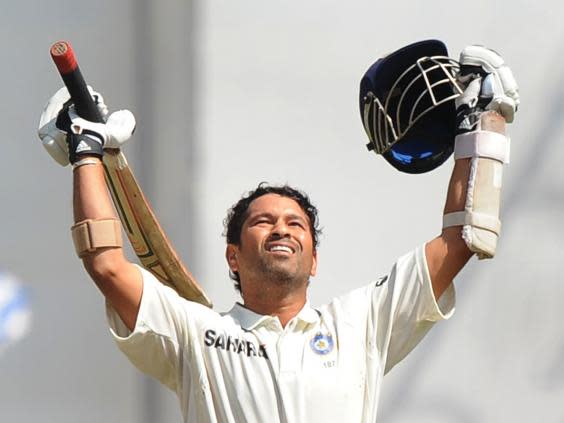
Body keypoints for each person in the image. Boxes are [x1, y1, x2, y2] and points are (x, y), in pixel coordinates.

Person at [37, 45, 518, 422]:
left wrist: (487, 124)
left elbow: (463, 239)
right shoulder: (195, 333)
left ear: (314, 261)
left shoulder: (360, 325)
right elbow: (105, 262)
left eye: (296, 224)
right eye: (262, 222)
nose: (281, 229)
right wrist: (86, 152)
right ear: (233, 257)